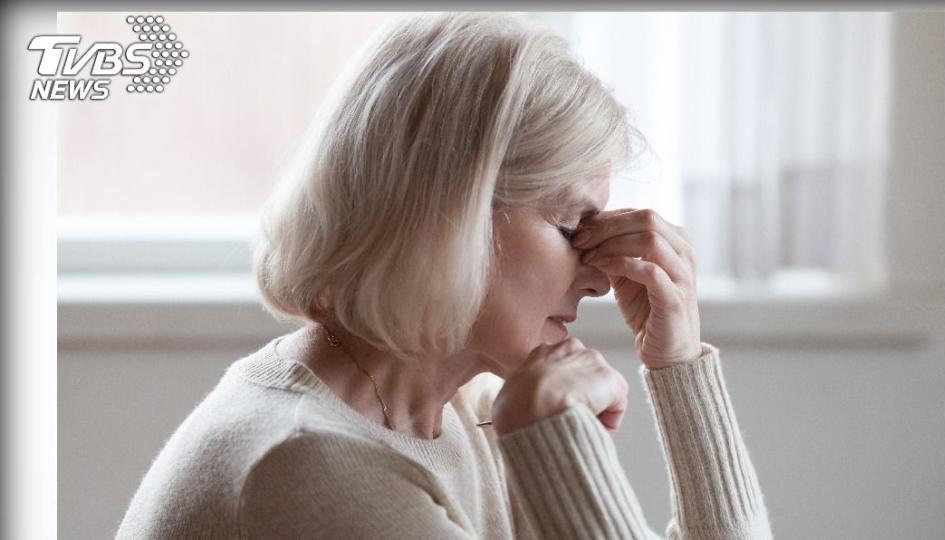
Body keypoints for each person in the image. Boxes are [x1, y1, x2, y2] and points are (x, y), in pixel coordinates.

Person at [116, 12, 773, 539]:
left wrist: (679, 364)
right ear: (450, 216)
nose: (600, 281)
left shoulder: (467, 408)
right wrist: (558, 453)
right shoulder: (311, 466)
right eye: (574, 226)